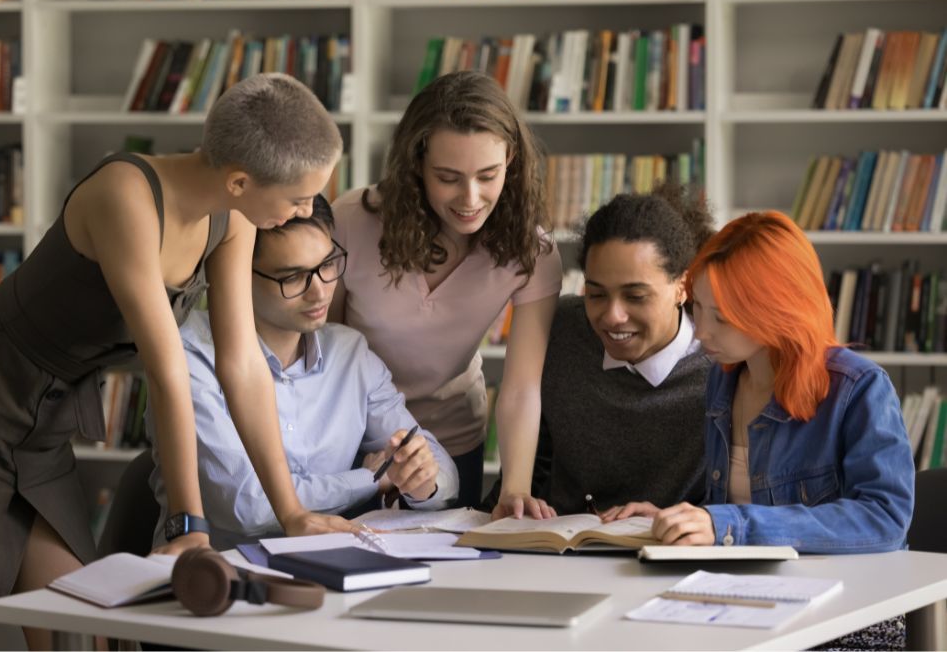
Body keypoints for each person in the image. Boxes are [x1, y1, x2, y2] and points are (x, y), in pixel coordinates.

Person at [0, 73, 355, 650]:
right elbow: (168, 370)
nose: (304, 210)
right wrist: (188, 528)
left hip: (38, 434)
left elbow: (240, 364)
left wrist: (290, 511)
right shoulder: (126, 194)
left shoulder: (234, 216)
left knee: (80, 635)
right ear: (240, 180)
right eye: (298, 199)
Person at [149, 195, 458, 550]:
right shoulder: (189, 355)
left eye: (327, 264)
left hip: (328, 568)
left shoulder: (349, 354)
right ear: (233, 271)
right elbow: (246, 507)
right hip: (219, 576)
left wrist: (422, 479)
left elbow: (441, 468)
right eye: (292, 277)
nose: (320, 290)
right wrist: (370, 479)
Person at [330, 71, 562, 515]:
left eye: (488, 175)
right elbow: (325, 357)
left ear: (511, 159)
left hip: (454, 444)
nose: (470, 198)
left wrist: (515, 488)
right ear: (417, 163)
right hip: (355, 445)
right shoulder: (350, 222)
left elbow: (521, 387)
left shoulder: (532, 252)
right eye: (448, 177)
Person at [618, 211, 914, 553]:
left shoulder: (859, 388)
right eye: (698, 307)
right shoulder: (724, 379)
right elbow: (740, 505)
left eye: (722, 318)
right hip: (751, 584)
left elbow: (885, 520)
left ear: (775, 310)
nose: (700, 331)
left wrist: (728, 525)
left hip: (845, 595)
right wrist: (683, 521)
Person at [481, 182, 715, 517]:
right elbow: (532, 470)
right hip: (559, 553)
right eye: (596, 294)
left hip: (671, 558)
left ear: (682, 287)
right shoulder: (561, 331)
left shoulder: (718, 364)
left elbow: (736, 503)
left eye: (635, 296)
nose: (612, 316)